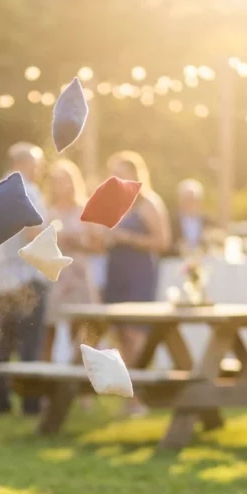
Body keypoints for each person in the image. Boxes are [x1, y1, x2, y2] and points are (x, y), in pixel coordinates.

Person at [0, 142, 47, 415]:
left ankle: (1, 402)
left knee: (4, 342)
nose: (40, 170)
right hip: (26, 277)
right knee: (29, 343)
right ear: (25, 164)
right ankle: (31, 403)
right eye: (38, 164)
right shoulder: (28, 190)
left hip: (2, 278)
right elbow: (32, 233)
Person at [104, 150, 170, 368]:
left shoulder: (149, 203)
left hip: (139, 274)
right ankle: (130, 391)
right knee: (120, 333)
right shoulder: (115, 204)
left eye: (120, 173)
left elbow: (163, 242)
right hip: (116, 271)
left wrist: (128, 238)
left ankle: (139, 392)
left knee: (135, 332)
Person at [43, 159, 101, 361]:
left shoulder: (84, 209)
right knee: (48, 329)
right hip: (54, 276)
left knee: (80, 331)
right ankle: (46, 387)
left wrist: (76, 242)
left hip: (78, 273)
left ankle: (78, 382)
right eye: (56, 181)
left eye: (65, 180)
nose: (61, 185)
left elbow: (98, 246)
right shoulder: (46, 210)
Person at [171, 178, 215, 255]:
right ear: (179, 200)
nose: (190, 202)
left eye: (194, 199)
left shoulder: (209, 221)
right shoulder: (170, 221)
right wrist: (178, 248)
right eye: (186, 199)